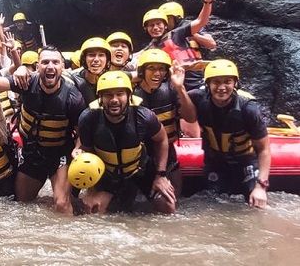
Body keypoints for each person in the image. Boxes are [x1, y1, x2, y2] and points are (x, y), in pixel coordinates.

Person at [0, 45, 85, 213]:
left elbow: (82, 130)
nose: (50, 66)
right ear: (38, 66)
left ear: (63, 66)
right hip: (32, 152)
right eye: (45, 62)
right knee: (22, 205)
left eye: (55, 62)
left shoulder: (73, 97)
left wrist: (77, 148)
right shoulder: (26, 82)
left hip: (59, 153)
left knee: (61, 204)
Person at [77, 71, 176, 214]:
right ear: (100, 98)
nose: (114, 100)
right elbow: (88, 153)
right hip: (108, 177)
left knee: (168, 206)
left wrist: (160, 175)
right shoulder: (88, 119)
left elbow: (161, 140)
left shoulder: (144, 116)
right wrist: (92, 189)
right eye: (108, 95)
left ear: (129, 96)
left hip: (139, 172)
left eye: (120, 94)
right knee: (92, 209)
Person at [187, 60, 270, 208]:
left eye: (228, 82)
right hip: (216, 163)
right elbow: (173, 95)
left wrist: (261, 187)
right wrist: (180, 81)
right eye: (216, 82)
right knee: (210, 204)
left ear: (235, 83)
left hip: (246, 162)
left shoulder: (248, 108)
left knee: (257, 204)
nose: (222, 87)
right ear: (207, 84)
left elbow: (264, 149)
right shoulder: (198, 98)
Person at [133, 49, 198, 197]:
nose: (157, 73)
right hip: (141, 156)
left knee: (171, 205)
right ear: (142, 71)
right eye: (152, 68)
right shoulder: (130, 93)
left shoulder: (171, 89)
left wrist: (180, 88)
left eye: (161, 69)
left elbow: (190, 118)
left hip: (168, 154)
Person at [143, 0, 215, 90]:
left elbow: (202, 21)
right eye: (151, 25)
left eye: (159, 23)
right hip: (176, 85)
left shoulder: (178, 33)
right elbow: (137, 57)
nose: (155, 27)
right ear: (146, 29)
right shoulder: (152, 46)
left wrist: (208, 1)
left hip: (197, 79)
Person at [69, 37, 112, 105]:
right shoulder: (71, 80)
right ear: (84, 59)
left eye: (101, 55)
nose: (96, 59)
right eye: (91, 55)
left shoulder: (112, 78)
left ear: (107, 60)